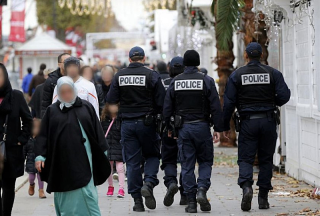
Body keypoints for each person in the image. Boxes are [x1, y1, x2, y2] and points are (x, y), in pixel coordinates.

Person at [223, 42, 290, 211]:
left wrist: (224, 125)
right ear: (261, 55)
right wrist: (271, 102)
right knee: (266, 160)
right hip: (268, 121)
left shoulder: (237, 75)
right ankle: (263, 198)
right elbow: (284, 96)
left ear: (246, 55)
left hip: (247, 122)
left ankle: (246, 187)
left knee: (246, 158)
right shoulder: (273, 73)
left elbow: (229, 102)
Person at [35, 76, 111, 216]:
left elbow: (97, 131)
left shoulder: (85, 107)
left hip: (84, 160)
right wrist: (40, 155)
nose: (66, 95)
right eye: (62, 92)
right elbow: (43, 135)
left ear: (74, 90)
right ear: (58, 93)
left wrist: (102, 153)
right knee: (66, 202)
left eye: (69, 91)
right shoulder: (52, 111)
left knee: (88, 196)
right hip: (62, 164)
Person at [107, 46, 165, 212]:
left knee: (132, 162)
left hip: (127, 124)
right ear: (144, 58)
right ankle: (149, 182)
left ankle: (137, 201)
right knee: (152, 154)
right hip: (147, 123)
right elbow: (162, 101)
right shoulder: (152, 75)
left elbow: (111, 99)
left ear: (130, 59)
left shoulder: (119, 75)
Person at [163, 50, 223, 213]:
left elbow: (167, 108)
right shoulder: (207, 80)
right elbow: (215, 107)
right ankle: (202, 190)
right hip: (202, 127)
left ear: (184, 63)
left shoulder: (176, 81)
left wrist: (169, 128)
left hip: (184, 129)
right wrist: (217, 128)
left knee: (187, 165)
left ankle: (191, 202)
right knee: (205, 161)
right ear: (197, 63)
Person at [0, 63, 33, 215]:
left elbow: (28, 120)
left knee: (8, 187)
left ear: (5, 77)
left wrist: (21, 139)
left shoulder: (16, 96)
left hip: (11, 151)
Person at [160, 56, 186, 207]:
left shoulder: (163, 83)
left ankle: (171, 182)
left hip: (168, 128)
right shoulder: (189, 82)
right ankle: (185, 194)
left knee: (169, 159)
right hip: (186, 126)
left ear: (170, 68)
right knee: (186, 161)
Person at [101, 103, 125, 198]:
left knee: (120, 168)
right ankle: (110, 187)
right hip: (108, 145)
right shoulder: (104, 119)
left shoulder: (121, 118)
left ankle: (121, 188)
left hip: (118, 144)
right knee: (109, 169)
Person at [41, 53, 71, 117]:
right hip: (57, 116)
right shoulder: (51, 80)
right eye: (66, 61)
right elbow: (45, 103)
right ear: (59, 64)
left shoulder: (76, 78)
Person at [23, 118, 46, 199]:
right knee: (31, 177)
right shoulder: (28, 139)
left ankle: (41, 190)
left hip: (40, 160)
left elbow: (45, 148)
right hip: (30, 161)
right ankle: (31, 185)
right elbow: (24, 150)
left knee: (40, 176)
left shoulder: (41, 138)